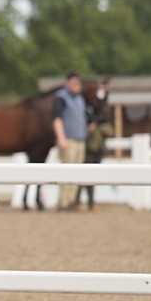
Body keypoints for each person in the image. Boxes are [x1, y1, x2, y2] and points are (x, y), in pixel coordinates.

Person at [52, 72, 89, 211]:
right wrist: (61, 138)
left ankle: (72, 200)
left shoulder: (80, 99)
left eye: (78, 83)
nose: (76, 86)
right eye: (74, 83)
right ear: (67, 83)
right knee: (67, 171)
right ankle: (63, 201)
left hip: (80, 139)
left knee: (77, 172)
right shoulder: (61, 98)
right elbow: (57, 119)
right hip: (68, 139)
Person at [80, 105, 111, 211]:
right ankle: (79, 201)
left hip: (97, 152)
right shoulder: (87, 113)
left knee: (91, 178)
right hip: (88, 152)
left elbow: (109, 131)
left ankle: (91, 202)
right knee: (82, 178)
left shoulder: (101, 119)